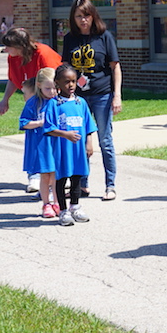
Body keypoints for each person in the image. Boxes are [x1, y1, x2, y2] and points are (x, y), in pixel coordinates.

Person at [62, 0, 122, 201]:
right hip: (78, 97)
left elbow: (115, 67)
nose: (83, 20)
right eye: (78, 16)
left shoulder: (104, 36)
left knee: (105, 140)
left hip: (102, 95)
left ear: (93, 15)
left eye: (86, 15)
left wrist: (117, 95)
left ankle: (110, 185)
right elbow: (65, 68)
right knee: (79, 140)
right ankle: (82, 184)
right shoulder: (70, 38)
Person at [47, 64, 97, 226]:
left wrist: (89, 143)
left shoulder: (80, 103)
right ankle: (63, 211)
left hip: (78, 151)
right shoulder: (54, 104)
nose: (71, 85)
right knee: (61, 180)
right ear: (57, 83)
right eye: (66, 82)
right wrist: (65, 134)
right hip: (62, 150)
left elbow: (88, 126)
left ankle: (75, 207)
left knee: (77, 179)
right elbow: (48, 128)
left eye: (74, 81)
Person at [19, 67, 61, 218]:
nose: (52, 92)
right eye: (47, 88)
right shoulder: (33, 103)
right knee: (45, 176)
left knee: (56, 176)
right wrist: (39, 123)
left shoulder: (59, 102)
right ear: (39, 86)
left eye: (55, 88)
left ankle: (57, 202)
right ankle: (46, 204)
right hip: (41, 144)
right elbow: (23, 123)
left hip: (56, 144)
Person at [0, 27, 62, 116]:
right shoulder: (13, 57)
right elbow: (13, 79)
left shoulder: (43, 53)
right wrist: (5, 100)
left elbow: (56, 80)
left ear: (19, 47)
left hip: (52, 100)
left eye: (8, 46)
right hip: (36, 100)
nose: (5, 49)